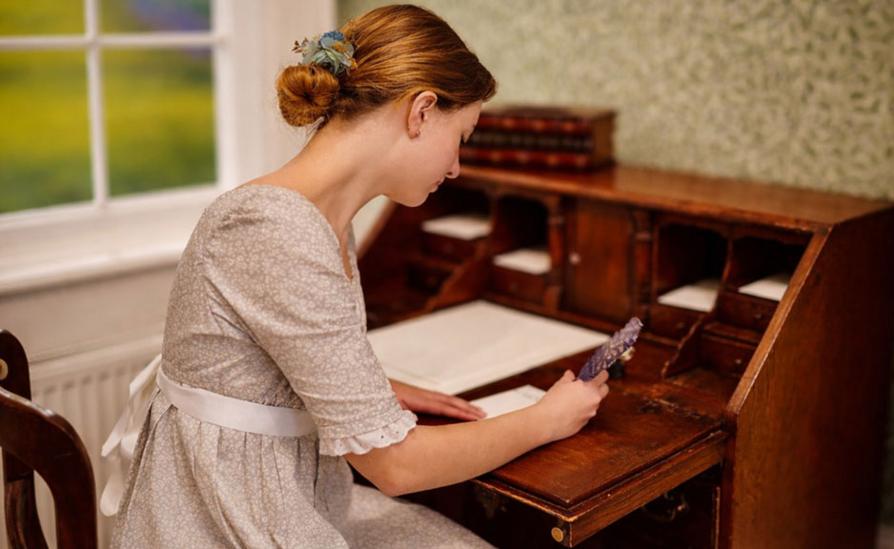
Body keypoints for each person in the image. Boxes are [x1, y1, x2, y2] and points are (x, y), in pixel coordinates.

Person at [105, 4, 610, 548]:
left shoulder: (323, 221)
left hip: (289, 491)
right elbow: (398, 468)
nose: (457, 166)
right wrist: (545, 420)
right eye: (461, 136)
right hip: (228, 515)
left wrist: (371, 393)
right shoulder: (273, 228)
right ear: (420, 112)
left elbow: (250, 360)